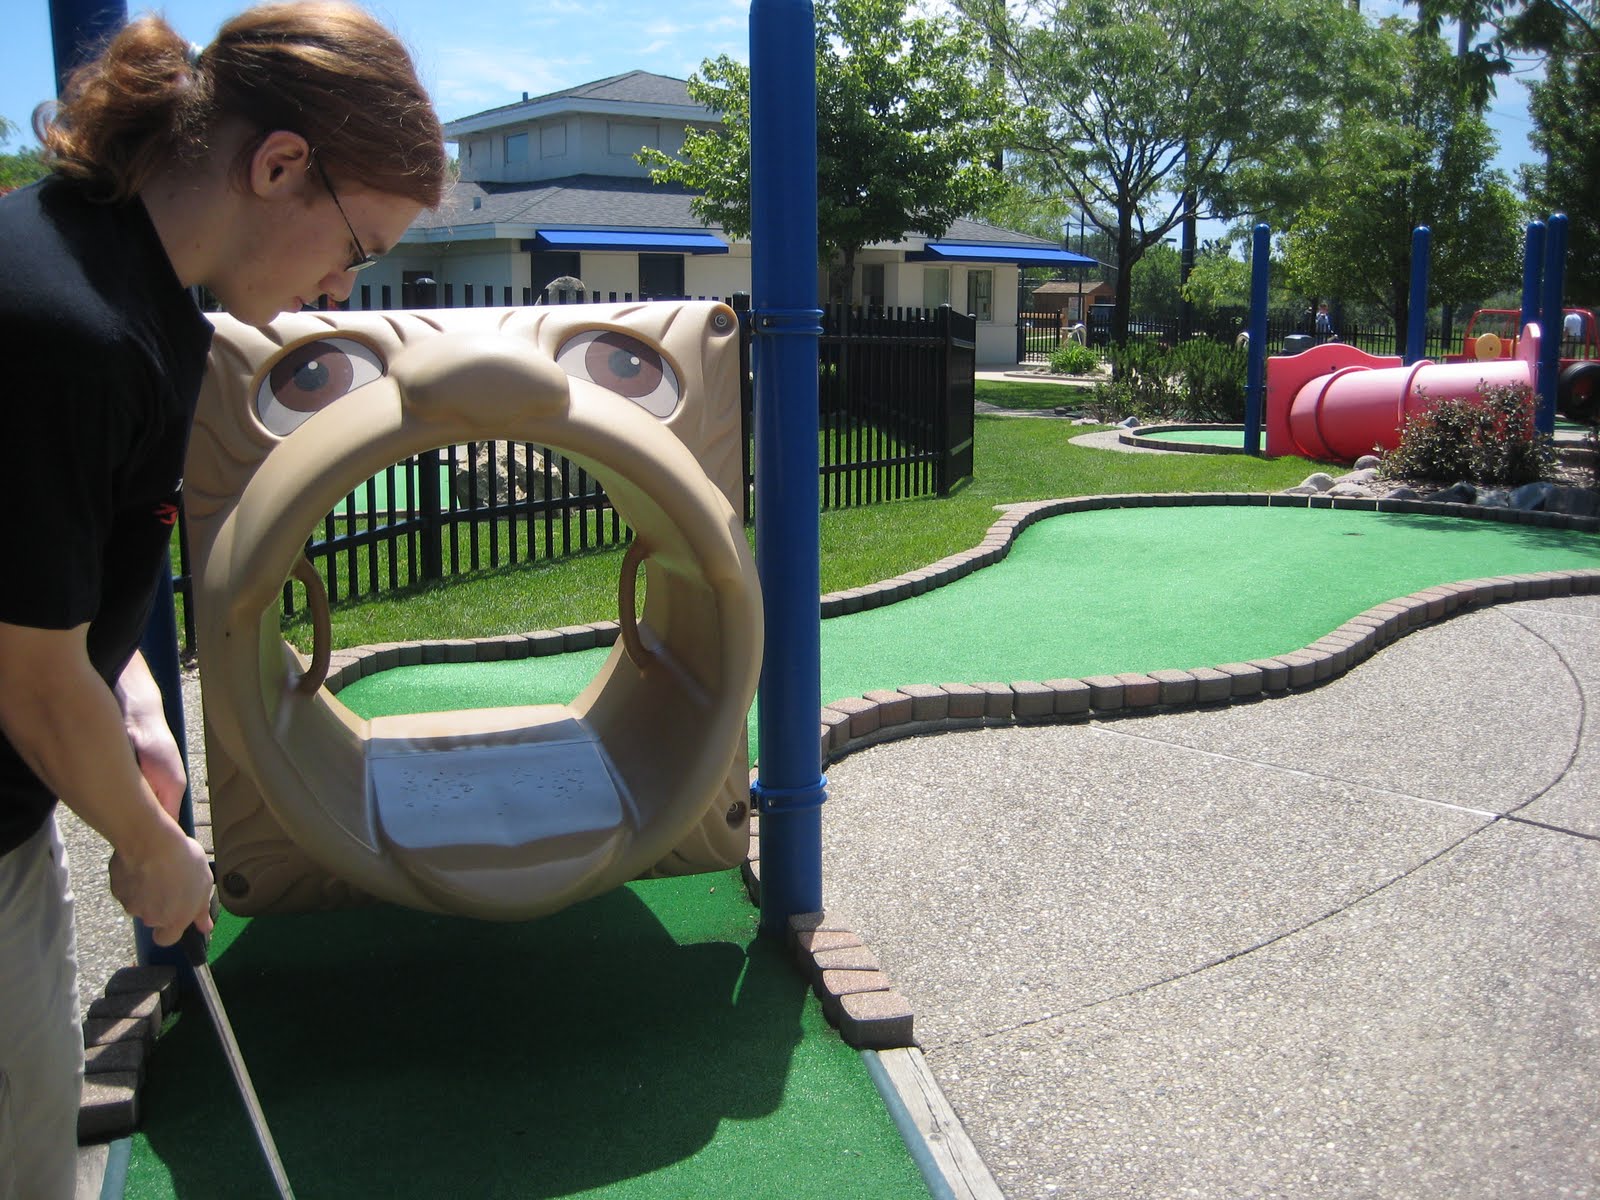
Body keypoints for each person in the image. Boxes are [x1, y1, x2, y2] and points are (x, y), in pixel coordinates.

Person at [0, 6, 446, 1195]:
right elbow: (32, 681)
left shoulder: (134, 292)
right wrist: (150, 849)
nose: (342, 288)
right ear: (280, 165)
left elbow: (56, 588)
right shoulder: (71, 330)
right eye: (356, 243)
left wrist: (132, 692)